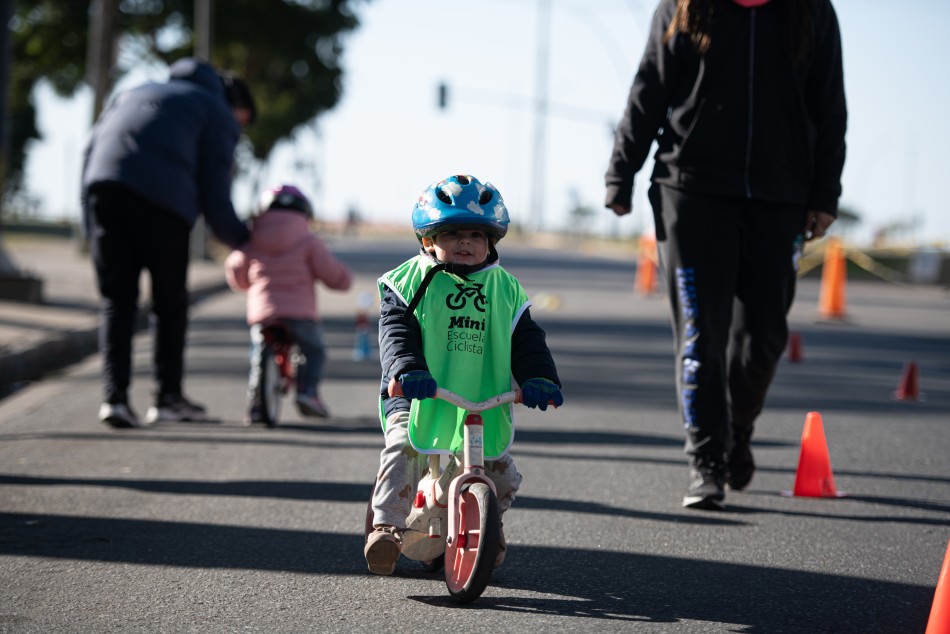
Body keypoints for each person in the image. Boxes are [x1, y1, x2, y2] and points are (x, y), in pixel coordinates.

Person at [604, 0, 847, 510]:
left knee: (764, 339)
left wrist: (825, 194)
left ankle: (737, 428)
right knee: (700, 334)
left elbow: (829, 104)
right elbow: (650, 86)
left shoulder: (810, 11)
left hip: (781, 195)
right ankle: (707, 461)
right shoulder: (684, 6)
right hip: (690, 189)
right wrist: (621, 172)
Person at [364, 174, 564, 575]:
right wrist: (408, 369)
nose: (465, 242)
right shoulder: (408, 280)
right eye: (453, 233)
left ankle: (488, 523)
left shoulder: (505, 288)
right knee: (403, 449)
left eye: (476, 234)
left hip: (479, 396)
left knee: (503, 474)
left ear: (491, 241)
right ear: (428, 240)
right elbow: (396, 332)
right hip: (415, 391)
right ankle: (386, 528)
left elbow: (526, 340)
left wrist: (539, 377)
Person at [81, 58, 257, 429]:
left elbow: (89, 151)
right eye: (241, 122)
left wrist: (87, 221)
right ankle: (168, 399)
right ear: (232, 103)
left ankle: (115, 400)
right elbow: (215, 194)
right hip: (163, 203)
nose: (238, 130)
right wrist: (246, 242)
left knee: (116, 299)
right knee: (169, 303)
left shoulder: (131, 92)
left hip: (102, 190)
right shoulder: (216, 110)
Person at [224, 184, 353, 422]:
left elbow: (237, 269)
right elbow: (332, 274)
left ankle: (255, 404)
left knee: (257, 355)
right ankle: (308, 392)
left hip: (263, 313)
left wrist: (243, 282)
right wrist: (344, 280)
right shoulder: (310, 242)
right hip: (300, 313)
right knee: (314, 351)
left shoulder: (252, 241)